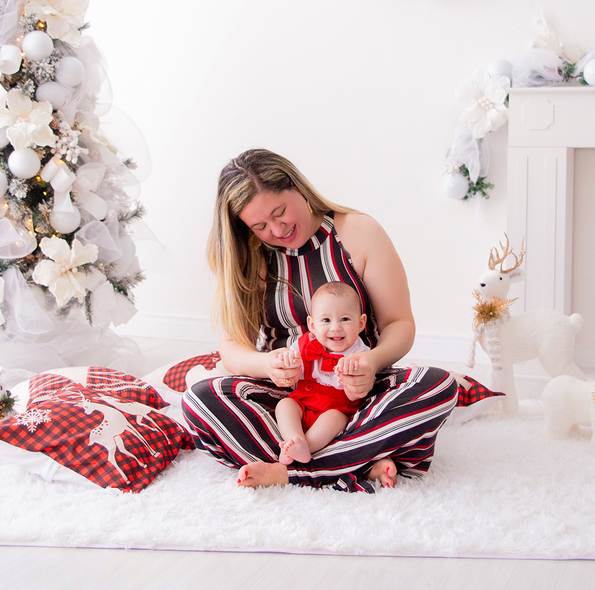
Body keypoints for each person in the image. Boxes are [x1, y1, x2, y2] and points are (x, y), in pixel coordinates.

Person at [182, 148, 458, 492]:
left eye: (280, 212)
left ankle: (290, 473)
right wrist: (269, 365)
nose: (277, 229)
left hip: (358, 394)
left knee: (438, 385)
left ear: (297, 187)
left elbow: (398, 323)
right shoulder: (250, 257)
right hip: (286, 399)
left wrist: (370, 362)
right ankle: (360, 460)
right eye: (259, 226)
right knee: (199, 399)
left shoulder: (357, 232)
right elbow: (232, 347)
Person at [274, 282, 370, 465]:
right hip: (303, 403)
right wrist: (288, 364)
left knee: (334, 418)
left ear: (360, 323)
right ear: (312, 324)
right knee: (285, 405)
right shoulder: (305, 345)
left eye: (345, 319)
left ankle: (306, 448)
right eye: (326, 320)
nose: (335, 328)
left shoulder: (360, 355)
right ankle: (294, 439)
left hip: (337, 409)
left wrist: (353, 380)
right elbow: (288, 364)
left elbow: (359, 391)